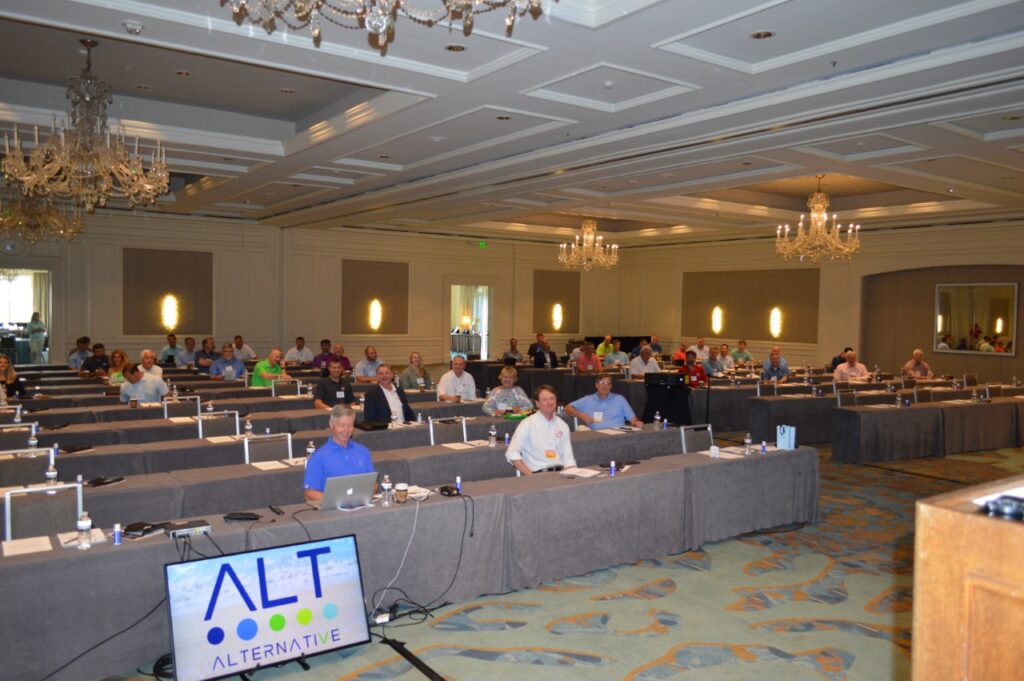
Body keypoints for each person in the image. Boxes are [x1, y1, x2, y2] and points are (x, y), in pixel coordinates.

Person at [303, 405, 374, 504]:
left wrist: (360, 496)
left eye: (349, 426)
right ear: (331, 425)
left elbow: (373, 484)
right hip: (332, 512)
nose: (346, 430)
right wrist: (340, 500)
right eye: (341, 426)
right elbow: (309, 493)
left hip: (361, 507)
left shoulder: (363, 452)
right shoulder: (318, 457)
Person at [505, 385, 576, 476]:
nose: (549, 402)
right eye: (545, 399)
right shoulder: (527, 423)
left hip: (561, 474)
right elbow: (511, 454)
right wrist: (531, 477)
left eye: (552, 398)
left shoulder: (562, 425)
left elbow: (568, 457)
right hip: (538, 475)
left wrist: (572, 474)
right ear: (537, 403)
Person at [565, 375, 641, 429]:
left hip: (619, 434)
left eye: (607, 384)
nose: (604, 386)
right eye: (601, 383)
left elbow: (633, 419)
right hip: (597, 437)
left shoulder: (620, 399)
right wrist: (582, 415)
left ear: (611, 386)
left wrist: (636, 423)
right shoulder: (587, 400)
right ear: (596, 385)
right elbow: (567, 408)